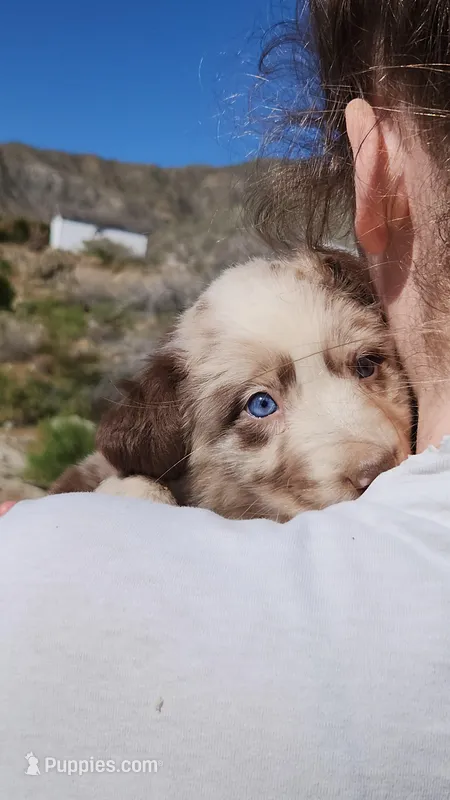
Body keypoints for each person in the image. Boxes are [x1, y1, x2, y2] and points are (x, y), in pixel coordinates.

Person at [1, 1, 450, 797]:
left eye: (369, 363)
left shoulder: (44, 586)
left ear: (375, 171)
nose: (371, 449)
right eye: (260, 404)